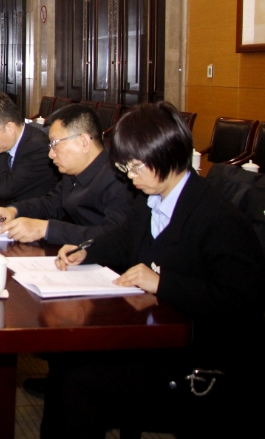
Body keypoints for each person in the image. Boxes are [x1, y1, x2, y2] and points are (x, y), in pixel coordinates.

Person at [44, 102, 265, 438]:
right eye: (125, 167)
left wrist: (162, 283)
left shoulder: (216, 218)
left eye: (135, 167)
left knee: (80, 383)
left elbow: (242, 301)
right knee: (65, 364)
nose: (129, 177)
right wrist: (86, 251)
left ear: (166, 157)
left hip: (203, 361)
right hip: (160, 333)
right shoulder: (152, 198)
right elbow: (124, 238)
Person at [0, 104, 136, 245]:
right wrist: (14, 210)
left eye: (55, 144)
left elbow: (113, 235)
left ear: (84, 142)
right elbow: (51, 203)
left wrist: (46, 229)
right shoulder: (72, 172)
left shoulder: (119, 179)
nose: (51, 154)